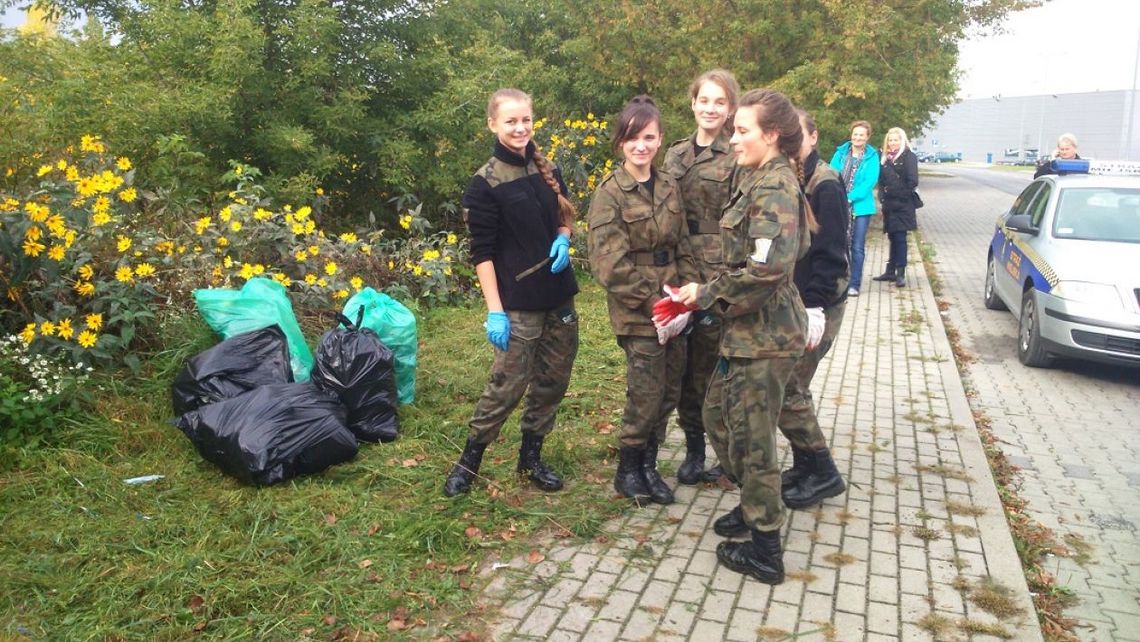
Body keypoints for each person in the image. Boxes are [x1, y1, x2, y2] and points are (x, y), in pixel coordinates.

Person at [669, 88, 814, 585]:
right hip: (746, 330)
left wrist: (705, 294)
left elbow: (766, 270)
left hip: (766, 335)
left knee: (754, 442)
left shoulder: (775, 187)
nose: (733, 138)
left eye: (743, 130)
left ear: (771, 136)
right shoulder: (757, 176)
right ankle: (754, 505)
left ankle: (766, 549)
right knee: (717, 416)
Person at [444, 88, 580, 497]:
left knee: (552, 381)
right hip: (517, 302)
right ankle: (469, 461)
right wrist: (495, 310)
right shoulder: (484, 184)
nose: (520, 128)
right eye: (510, 121)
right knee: (506, 384)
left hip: (559, 296)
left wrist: (564, 237)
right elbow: (481, 253)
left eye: (526, 120)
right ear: (492, 124)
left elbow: (563, 215)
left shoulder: (547, 168)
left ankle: (531, 457)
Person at [587, 95, 699, 505]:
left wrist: (685, 293)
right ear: (621, 142)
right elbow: (608, 265)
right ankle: (627, 470)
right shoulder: (610, 194)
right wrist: (655, 303)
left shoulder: (670, 184)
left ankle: (650, 466)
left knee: (669, 390)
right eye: (633, 138)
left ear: (660, 140)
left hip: (675, 302)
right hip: (639, 312)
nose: (641, 146)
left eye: (649, 137)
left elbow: (683, 242)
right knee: (645, 392)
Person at [662, 69, 739, 486]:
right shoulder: (674, 154)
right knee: (682, 364)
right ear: (692, 103)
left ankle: (727, 453)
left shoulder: (737, 154)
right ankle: (694, 448)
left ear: (730, 110)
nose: (710, 108)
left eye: (719, 102)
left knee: (710, 367)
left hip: (715, 274)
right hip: (676, 268)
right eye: (703, 100)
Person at [829, 120, 879, 296]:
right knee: (838, 244)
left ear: (867, 137)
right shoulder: (841, 153)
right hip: (839, 205)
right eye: (855, 134)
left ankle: (854, 283)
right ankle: (838, 279)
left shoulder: (872, 156)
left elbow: (870, 182)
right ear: (851, 135)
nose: (857, 138)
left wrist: (850, 197)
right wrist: (837, 195)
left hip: (861, 208)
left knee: (856, 246)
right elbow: (831, 174)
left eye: (861, 135)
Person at [872, 127, 919, 287]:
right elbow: (881, 181)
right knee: (892, 236)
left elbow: (912, 181)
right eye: (890, 140)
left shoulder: (909, 157)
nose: (892, 143)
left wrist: (894, 192)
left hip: (903, 204)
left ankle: (900, 272)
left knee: (900, 238)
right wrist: (883, 196)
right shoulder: (884, 159)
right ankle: (890, 270)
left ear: (902, 140)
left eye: (896, 139)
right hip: (889, 205)